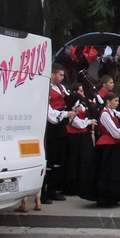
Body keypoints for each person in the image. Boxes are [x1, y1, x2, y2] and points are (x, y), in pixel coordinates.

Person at [79, 91, 120, 207]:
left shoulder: (113, 112)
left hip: (115, 145)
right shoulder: (104, 114)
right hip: (107, 146)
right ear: (108, 102)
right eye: (115, 101)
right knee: (107, 171)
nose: (117, 103)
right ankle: (106, 197)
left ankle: (115, 195)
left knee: (116, 171)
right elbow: (114, 132)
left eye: (118, 101)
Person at [41, 63, 71, 204]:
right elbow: (50, 114)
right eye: (60, 75)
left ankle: (53, 190)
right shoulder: (46, 89)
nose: (62, 78)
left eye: (63, 75)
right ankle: (44, 192)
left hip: (61, 125)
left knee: (59, 158)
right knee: (50, 159)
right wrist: (65, 114)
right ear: (52, 75)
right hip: (52, 126)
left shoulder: (61, 88)